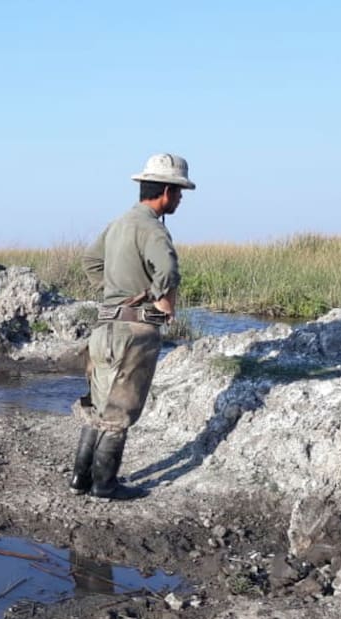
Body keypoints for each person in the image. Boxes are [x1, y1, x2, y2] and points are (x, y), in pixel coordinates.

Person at [69, 153, 195, 500]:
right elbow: (168, 271)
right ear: (166, 191)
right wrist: (154, 297)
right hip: (134, 333)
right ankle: (105, 486)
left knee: (97, 408)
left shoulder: (119, 223)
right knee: (119, 413)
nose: (181, 199)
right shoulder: (152, 228)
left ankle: (80, 479)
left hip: (104, 328)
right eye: (180, 193)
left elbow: (90, 261)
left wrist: (113, 293)